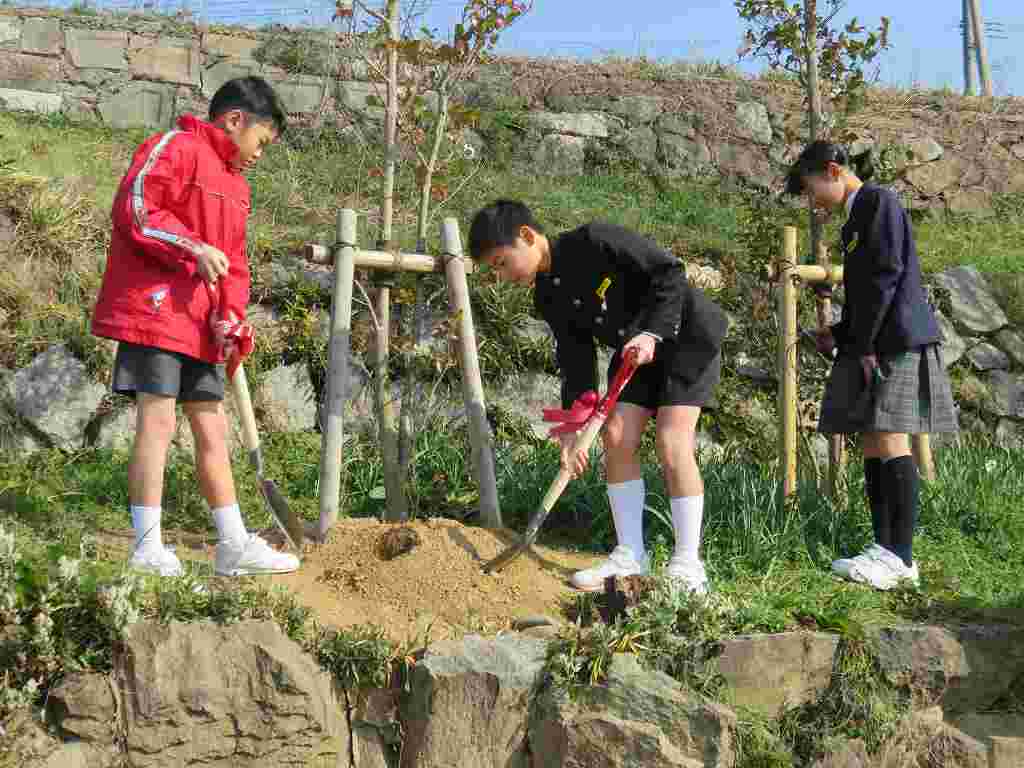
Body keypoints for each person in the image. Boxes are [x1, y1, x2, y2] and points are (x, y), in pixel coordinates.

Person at [91, 76, 300, 578]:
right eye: (261, 142)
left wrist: (231, 315)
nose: (260, 155)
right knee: (158, 423)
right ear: (234, 121)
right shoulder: (177, 147)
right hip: (157, 310)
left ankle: (232, 544)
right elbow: (137, 207)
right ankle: (146, 547)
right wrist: (191, 246)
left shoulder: (237, 187)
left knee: (212, 428)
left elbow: (235, 263)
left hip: (200, 324)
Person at [468, 200, 729, 594]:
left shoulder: (595, 240)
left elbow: (669, 271)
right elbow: (576, 358)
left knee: (672, 440)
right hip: (635, 352)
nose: (503, 276)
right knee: (615, 435)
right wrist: (574, 426)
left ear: (526, 236)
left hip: (686, 337)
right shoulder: (547, 296)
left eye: (502, 262)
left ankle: (688, 565)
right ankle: (629, 554)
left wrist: (654, 332)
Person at [786, 140, 958, 590]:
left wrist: (860, 344)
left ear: (832, 170)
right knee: (871, 441)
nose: (812, 200)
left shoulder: (878, 201)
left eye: (811, 189)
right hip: (875, 340)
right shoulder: (856, 217)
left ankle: (901, 559)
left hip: (896, 341)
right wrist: (840, 335)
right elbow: (866, 294)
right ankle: (883, 548)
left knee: (889, 439)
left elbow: (886, 277)